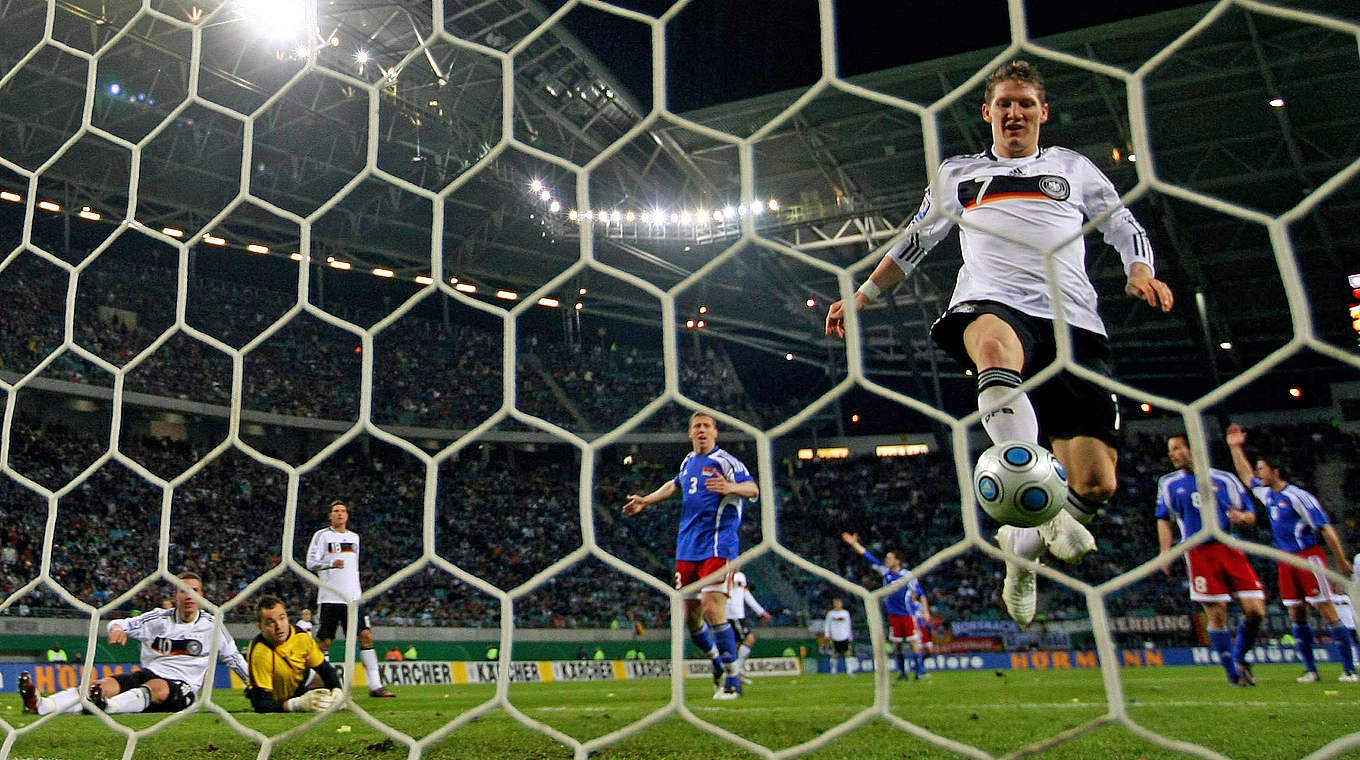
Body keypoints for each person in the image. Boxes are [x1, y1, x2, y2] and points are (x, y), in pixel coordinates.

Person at [824, 60, 1174, 627]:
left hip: (1074, 322)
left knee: (1097, 482)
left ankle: (1022, 553)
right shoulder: (959, 174)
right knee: (992, 349)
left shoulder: (1073, 168)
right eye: (1004, 103)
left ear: (1042, 113)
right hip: (993, 302)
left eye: (1025, 103)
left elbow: (1121, 223)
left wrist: (1139, 269)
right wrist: (861, 295)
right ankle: (1033, 478)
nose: (1015, 112)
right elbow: (916, 241)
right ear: (987, 112)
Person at [623, 411, 759, 700]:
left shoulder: (727, 462)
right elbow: (675, 485)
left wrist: (730, 487)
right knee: (691, 617)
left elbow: (753, 488)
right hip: (687, 548)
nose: (701, 430)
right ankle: (718, 661)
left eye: (706, 426)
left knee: (712, 608)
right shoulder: (688, 462)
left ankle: (733, 682)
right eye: (696, 426)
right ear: (689, 433)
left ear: (715, 433)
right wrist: (646, 500)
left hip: (718, 546)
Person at [1225, 424, 1357, 683]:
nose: (1258, 472)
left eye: (1262, 468)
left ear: (1276, 471)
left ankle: (1350, 669)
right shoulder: (1269, 495)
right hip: (1285, 562)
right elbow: (1245, 476)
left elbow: (1326, 529)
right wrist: (1235, 447)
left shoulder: (1298, 497)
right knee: (1297, 615)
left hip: (1309, 559)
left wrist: (1340, 560)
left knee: (1327, 611)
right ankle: (1311, 670)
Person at [19, 572, 249, 715]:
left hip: (183, 686)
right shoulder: (158, 619)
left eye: (194, 591)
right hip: (148, 674)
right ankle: (42, 705)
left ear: (202, 595)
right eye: (183, 590)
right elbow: (117, 624)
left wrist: (258, 684)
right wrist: (118, 629)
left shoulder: (212, 625)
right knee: (103, 685)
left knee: (158, 688)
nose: (189, 595)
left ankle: (110, 707)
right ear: (175, 595)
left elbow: (234, 658)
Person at [1156, 434, 1265, 686]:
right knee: (1217, 615)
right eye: (1170, 450)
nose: (1172, 454)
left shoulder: (1224, 479)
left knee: (1256, 611)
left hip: (1230, 548)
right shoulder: (1169, 483)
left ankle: (1239, 657)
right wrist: (1165, 552)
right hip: (1198, 553)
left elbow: (1251, 514)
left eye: (1176, 449)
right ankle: (1233, 674)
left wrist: (1242, 518)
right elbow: (1164, 518)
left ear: (1192, 449)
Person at [305, 499, 396, 698]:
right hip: (330, 598)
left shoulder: (355, 538)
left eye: (343, 511)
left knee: (366, 637)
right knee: (324, 643)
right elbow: (310, 563)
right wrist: (329, 563)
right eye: (336, 511)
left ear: (347, 516)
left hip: (353, 599)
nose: (339, 514)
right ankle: (318, 683)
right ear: (330, 515)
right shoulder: (322, 536)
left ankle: (376, 686)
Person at [841, 532, 928, 681]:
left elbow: (921, 593)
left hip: (908, 614)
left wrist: (925, 611)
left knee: (913, 642)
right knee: (898, 645)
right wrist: (854, 544)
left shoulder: (908, 576)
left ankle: (920, 671)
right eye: (887, 558)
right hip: (894, 615)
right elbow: (868, 556)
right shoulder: (886, 572)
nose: (887, 561)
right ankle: (903, 673)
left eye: (889, 558)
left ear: (897, 561)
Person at [246, 596, 343, 713]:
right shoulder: (260, 652)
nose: (279, 626)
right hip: (273, 698)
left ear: (287, 618)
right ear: (260, 627)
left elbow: (325, 669)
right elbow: (261, 704)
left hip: (299, 685)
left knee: (328, 682)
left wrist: (337, 690)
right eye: (270, 622)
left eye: (282, 618)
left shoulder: (301, 637)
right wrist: (296, 705)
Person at [725, 571, 773, 685]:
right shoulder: (730, 576)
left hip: (736, 615)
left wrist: (761, 612)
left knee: (734, 645)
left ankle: (732, 673)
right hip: (733, 615)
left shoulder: (738, 576)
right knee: (748, 640)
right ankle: (737, 672)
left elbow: (746, 595)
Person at [824, 598, 853, 676]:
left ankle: (849, 671)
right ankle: (833, 670)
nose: (837, 605)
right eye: (836, 603)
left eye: (839, 603)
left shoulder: (845, 613)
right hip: (835, 636)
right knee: (836, 654)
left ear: (842, 604)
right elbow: (827, 624)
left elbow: (848, 624)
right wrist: (827, 634)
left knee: (848, 653)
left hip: (844, 635)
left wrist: (850, 635)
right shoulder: (830, 614)